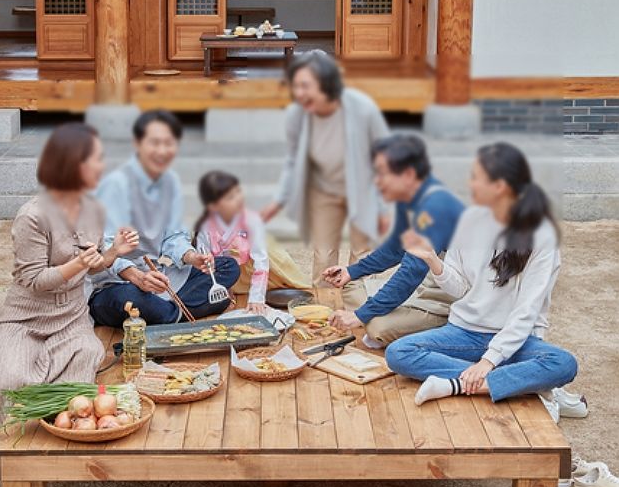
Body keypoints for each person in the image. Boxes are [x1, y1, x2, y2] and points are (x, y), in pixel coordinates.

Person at [0, 123, 139, 486]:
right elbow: (34, 279)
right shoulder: (32, 216)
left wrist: (114, 251)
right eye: (96, 160)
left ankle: (38, 449)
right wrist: (78, 265)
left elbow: (95, 261)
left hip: (70, 316)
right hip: (26, 315)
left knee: (85, 359)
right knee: (14, 377)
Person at [386, 142, 578, 405]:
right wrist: (433, 260)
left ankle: (453, 384)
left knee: (563, 363)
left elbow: (526, 312)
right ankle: (523, 384)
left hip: (516, 340)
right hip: (464, 333)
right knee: (398, 353)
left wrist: (488, 361)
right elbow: (462, 290)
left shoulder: (542, 235)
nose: (469, 184)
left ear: (499, 186)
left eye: (476, 177)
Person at [88, 110, 240, 327]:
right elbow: (105, 251)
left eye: (168, 143)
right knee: (129, 298)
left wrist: (191, 256)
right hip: (116, 282)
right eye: (154, 143)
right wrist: (137, 277)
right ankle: (174, 313)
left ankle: (165, 313)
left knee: (228, 267)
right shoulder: (113, 186)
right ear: (138, 144)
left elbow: (174, 237)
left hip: (158, 276)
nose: (162, 151)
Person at [260, 50, 390, 286]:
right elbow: (293, 161)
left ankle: (357, 308)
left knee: (362, 253)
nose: (300, 93)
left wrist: (381, 207)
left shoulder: (361, 107)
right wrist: (278, 201)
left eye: (306, 85)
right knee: (323, 254)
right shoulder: (297, 115)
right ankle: (323, 306)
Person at [324, 135, 465, 349]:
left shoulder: (433, 207)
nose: (377, 181)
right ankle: (383, 316)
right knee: (351, 283)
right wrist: (352, 270)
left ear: (408, 174)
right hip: (423, 287)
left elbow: (410, 273)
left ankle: (446, 330)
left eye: (382, 174)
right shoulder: (408, 198)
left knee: (377, 327)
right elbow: (394, 249)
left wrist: (360, 316)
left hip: (448, 299)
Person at [194, 170, 310, 315]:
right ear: (213, 206)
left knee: (287, 286)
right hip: (230, 273)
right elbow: (205, 261)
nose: (238, 199)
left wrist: (256, 298)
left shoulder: (251, 221)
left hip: (257, 266)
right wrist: (223, 289)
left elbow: (261, 262)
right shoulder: (206, 227)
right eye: (230, 197)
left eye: (238, 192)